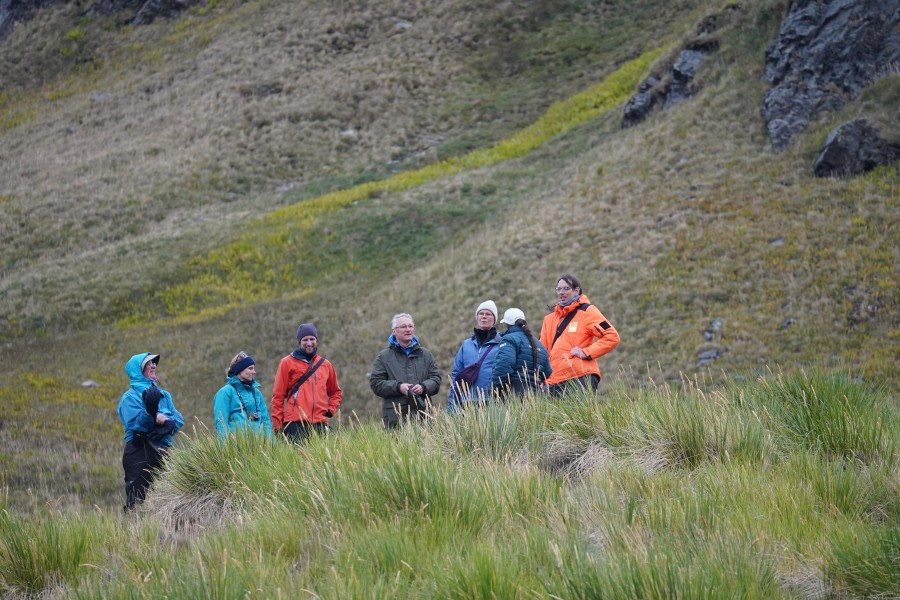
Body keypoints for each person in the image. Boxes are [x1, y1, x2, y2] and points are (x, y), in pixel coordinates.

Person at [117, 352, 185, 512]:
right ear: (138, 370)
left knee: (169, 493)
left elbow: (179, 419)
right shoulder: (129, 398)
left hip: (164, 451)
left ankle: (163, 531)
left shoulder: (164, 395)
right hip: (139, 451)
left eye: (155, 363)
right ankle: (133, 532)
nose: (154, 366)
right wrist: (151, 413)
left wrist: (166, 422)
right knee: (137, 498)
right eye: (149, 363)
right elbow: (135, 427)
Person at [540, 274, 620, 396]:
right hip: (554, 382)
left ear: (576, 290)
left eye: (566, 289)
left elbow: (612, 336)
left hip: (580, 377)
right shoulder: (549, 319)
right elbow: (542, 352)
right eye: (559, 289)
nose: (561, 292)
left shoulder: (587, 311)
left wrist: (586, 352)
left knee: (577, 416)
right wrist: (542, 378)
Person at [270, 323, 342, 443]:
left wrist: (330, 409)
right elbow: (278, 397)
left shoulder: (326, 364)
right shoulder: (286, 363)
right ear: (299, 341)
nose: (309, 343)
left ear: (316, 340)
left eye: (312, 339)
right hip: (294, 423)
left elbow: (336, 392)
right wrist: (277, 427)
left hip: (320, 422)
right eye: (305, 340)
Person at [369, 313, 442, 428]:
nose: (408, 330)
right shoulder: (383, 356)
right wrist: (398, 387)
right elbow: (376, 383)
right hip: (395, 419)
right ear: (394, 331)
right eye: (403, 327)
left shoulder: (426, 354)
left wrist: (423, 387)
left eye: (410, 326)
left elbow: (436, 379)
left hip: (424, 418)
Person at [448, 300, 502, 409]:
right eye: (481, 314)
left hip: (492, 402)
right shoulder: (466, 344)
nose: (484, 317)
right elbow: (456, 373)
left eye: (488, 314)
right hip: (467, 402)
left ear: (494, 319)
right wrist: (452, 403)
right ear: (477, 317)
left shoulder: (502, 343)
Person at [490, 307, 552, 398]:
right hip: (536, 395)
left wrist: (493, 388)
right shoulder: (539, 344)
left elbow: (504, 365)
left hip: (514, 393)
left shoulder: (509, 339)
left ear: (507, 324)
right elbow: (547, 372)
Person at [213, 351, 273, 438]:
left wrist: (270, 444)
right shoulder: (225, 392)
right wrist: (225, 449)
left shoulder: (257, 393)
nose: (254, 372)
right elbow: (221, 424)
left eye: (254, 368)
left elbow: (266, 421)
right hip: (236, 447)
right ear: (239, 370)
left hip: (260, 447)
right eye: (250, 368)